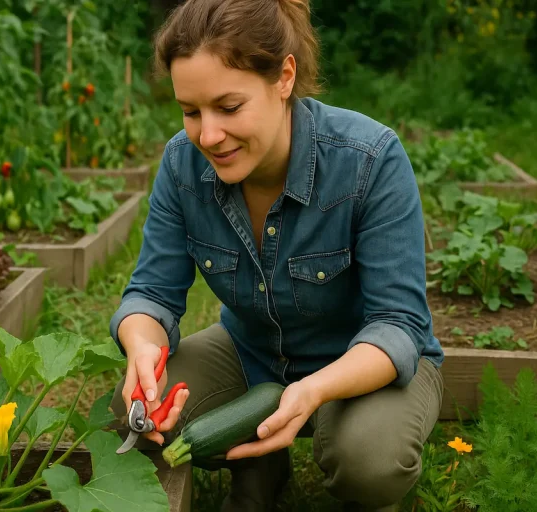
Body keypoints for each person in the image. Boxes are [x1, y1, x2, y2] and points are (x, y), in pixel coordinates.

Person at [108, 0, 445, 510]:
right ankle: (260, 463)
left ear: (284, 77)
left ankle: (351, 452)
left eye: (229, 107)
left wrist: (314, 391)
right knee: (129, 409)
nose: (208, 135)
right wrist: (141, 346)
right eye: (190, 111)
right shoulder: (181, 163)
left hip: (360, 363)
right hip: (253, 351)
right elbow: (152, 292)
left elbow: (398, 325)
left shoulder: (369, 159)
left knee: (369, 461)